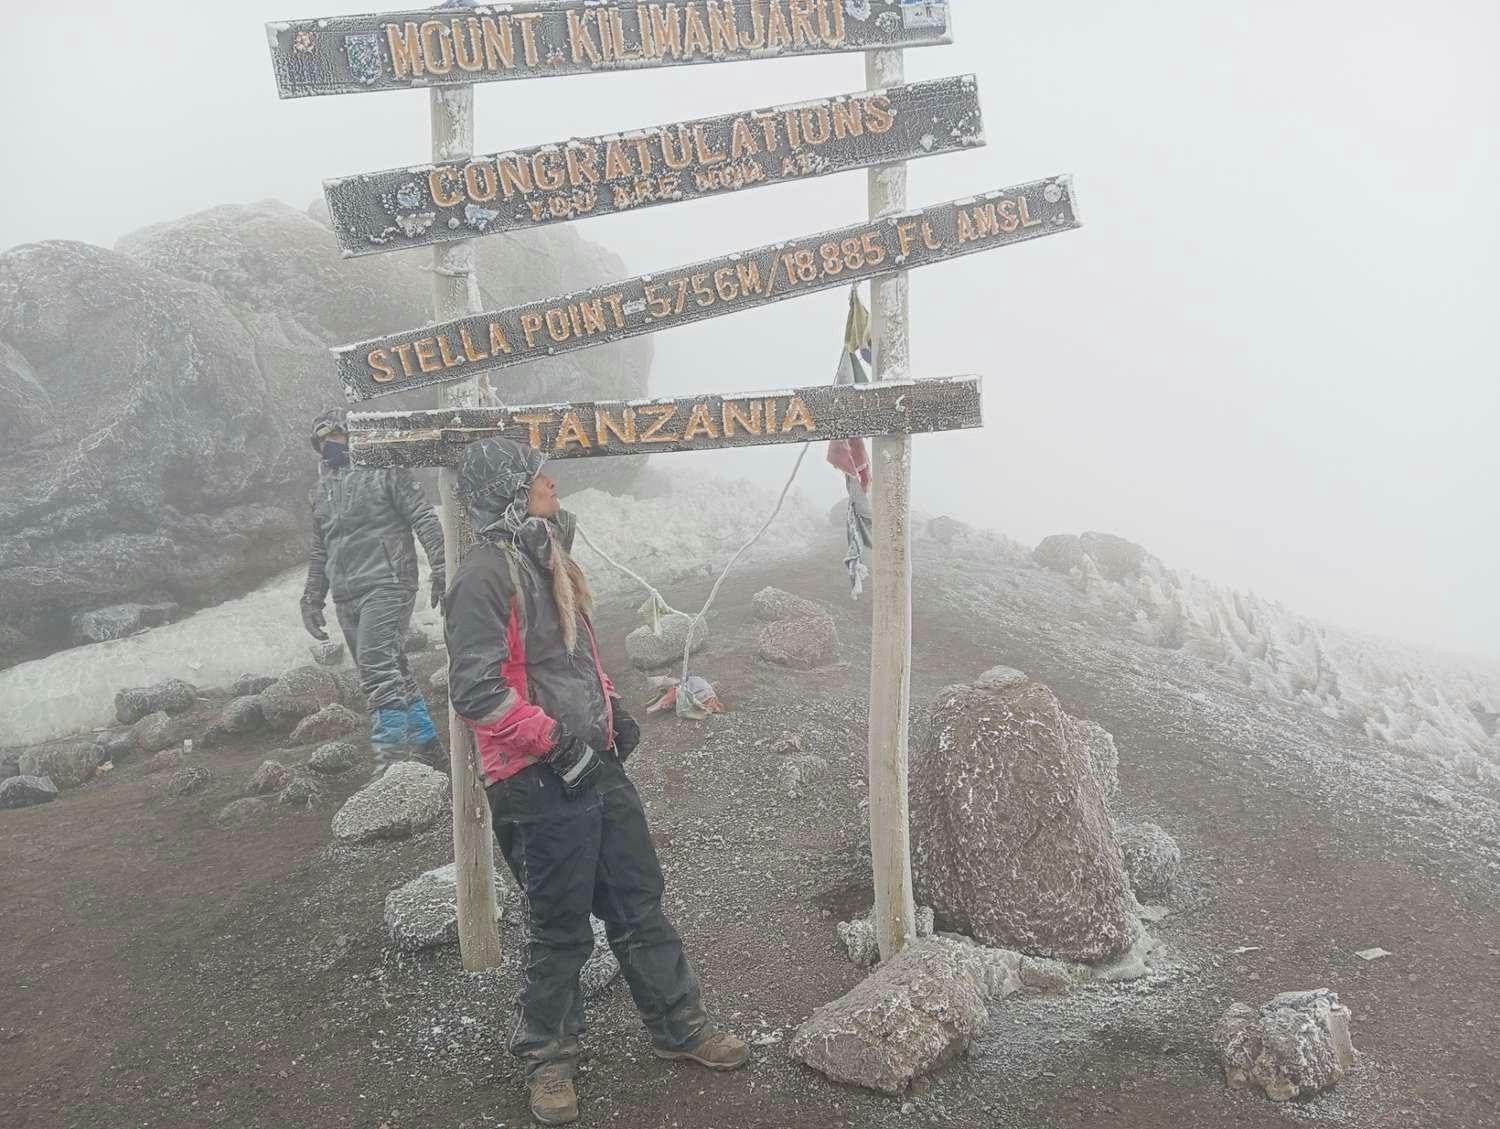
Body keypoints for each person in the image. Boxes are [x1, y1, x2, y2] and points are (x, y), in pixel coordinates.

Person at [444, 437, 748, 1126]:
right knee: (559, 926)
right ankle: (547, 1060)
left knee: (639, 900)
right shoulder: (483, 575)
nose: (550, 483)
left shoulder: (546, 554)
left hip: (592, 760)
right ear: (508, 492)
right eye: (535, 477)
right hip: (535, 776)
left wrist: (611, 711)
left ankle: (678, 1026)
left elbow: (574, 658)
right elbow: (477, 691)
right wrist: (558, 745)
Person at [299, 408, 447, 771]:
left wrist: (442, 568)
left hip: (389, 582)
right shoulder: (320, 490)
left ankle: (390, 763)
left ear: (352, 435)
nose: (328, 444)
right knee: (394, 668)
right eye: (321, 440)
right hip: (346, 594)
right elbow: (320, 547)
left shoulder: (387, 469)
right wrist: (312, 598)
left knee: (376, 670)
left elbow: (424, 517)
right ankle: (430, 752)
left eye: (334, 436)